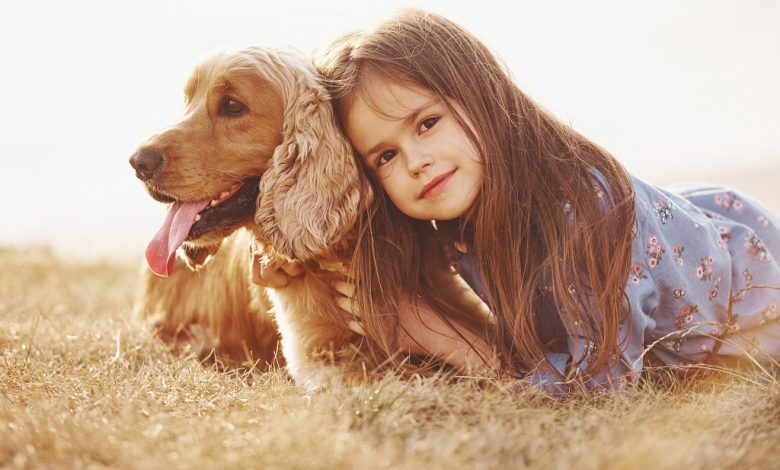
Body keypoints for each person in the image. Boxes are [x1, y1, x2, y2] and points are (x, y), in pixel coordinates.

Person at [255, 9, 780, 392]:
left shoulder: (585, 218)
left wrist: (455, 343)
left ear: (483, 94)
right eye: (385, 156)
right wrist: (300, 257)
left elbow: (596, 394)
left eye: (427, 123)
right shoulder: (463, 211)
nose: (414, 160)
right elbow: (367, 228)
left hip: (757, 309)